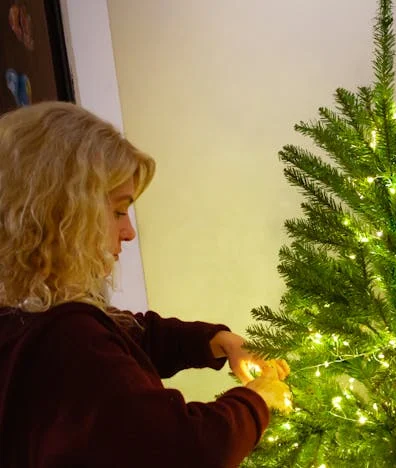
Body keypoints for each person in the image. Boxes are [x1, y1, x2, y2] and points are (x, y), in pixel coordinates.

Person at [0, 102, 291, 467]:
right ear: (62, 211)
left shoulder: (24, 315)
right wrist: (258, 399)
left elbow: (128, 336)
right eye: (118, 211)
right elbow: (188, 449)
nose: (128, 232)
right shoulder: (64, 337)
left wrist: (217, 342)